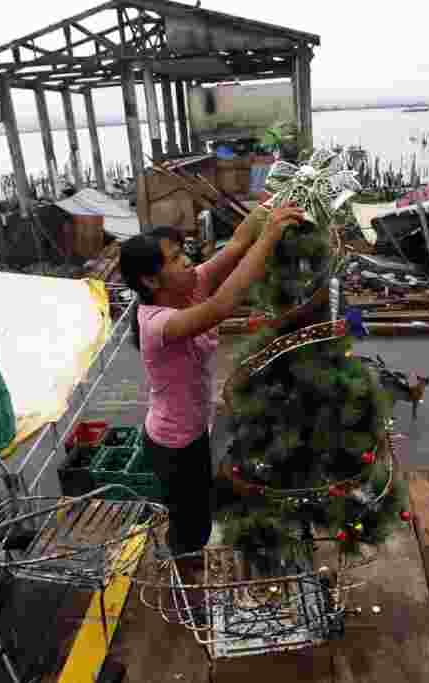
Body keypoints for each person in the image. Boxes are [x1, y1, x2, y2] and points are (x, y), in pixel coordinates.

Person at [118, 204, 304, 603]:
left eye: (184, 253)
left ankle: (188, 558)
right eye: (176, 259)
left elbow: (236, 245)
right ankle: (187, 585)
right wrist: (268, 238)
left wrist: (266, 213)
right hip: (173, 444)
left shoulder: (188, 287)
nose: (189, 262)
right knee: (191, 522)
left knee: (198, 505)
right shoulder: (157, 323)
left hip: (195, 428)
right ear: (151, 280)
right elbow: (222, 306)